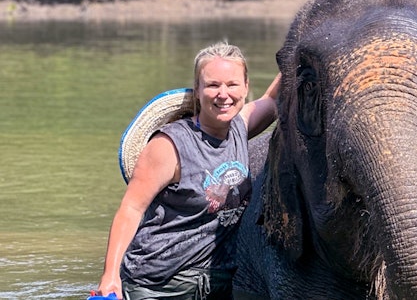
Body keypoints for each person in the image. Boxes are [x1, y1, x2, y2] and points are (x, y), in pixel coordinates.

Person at [96, 41, 281, 299]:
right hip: (157, 285)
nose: (223, 94)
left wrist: (303, 44)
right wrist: (110, 275)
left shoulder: (240, 129)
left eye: (232, 84)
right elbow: (131, 209)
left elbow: (272, 100)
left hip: (215, 281)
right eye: (213, 85)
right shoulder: (170, 145)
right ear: (198, 90)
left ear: (246, 87)